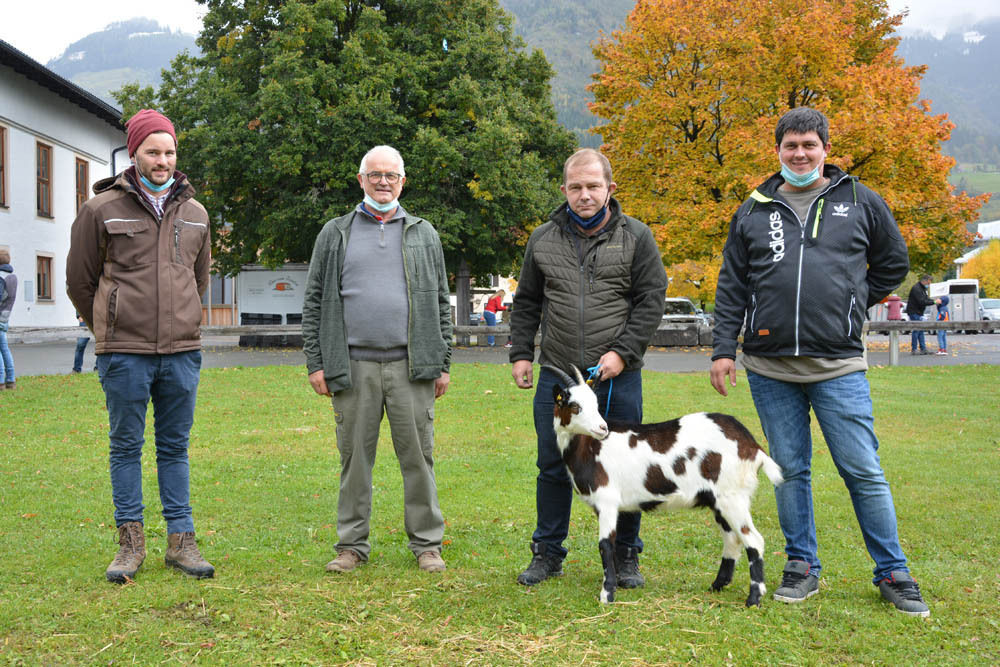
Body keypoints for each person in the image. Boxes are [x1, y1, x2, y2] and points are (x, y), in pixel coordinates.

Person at [710, 107, 929, 617]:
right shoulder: (753, 209)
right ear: (779, 151)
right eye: (791, 146)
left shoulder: (860, 201)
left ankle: (894, 572)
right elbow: (732, 286)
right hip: (770, 368)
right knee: (790, 471)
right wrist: (724, 349)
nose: (801, 154)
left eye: (810, 145)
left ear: (826, 149)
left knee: (863, 470)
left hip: (839, 367)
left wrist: (850, 304)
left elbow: (892, 263)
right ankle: (801, 566)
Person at [67, 109, 214, 583]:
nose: (163, 160)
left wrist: (183, 323)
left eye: (169, 151)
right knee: (125, 447)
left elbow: (198, 280)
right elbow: (79, 282)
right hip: (123, 354)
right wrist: (107, 326)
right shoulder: (99, 210)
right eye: (153, 151)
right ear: (134, 153)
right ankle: (130, 545)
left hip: (181, 353)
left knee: (174, 447)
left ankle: (181, 543)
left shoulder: (195, 214)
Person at [509, 148, 667, 589]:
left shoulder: (637, 237)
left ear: (610, 189)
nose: (584, 195)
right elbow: (527, 303)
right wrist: (522, 352)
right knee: (553, 464)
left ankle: (624, 555)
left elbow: (651, 302)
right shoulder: (542, 239)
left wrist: (623, 351)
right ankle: (548, 553)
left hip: (616, 373)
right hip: (559, 376)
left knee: (625, 466)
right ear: (564, 190)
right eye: (575, 187)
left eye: (593, 186)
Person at [302, 145, 452, 574]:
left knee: (419, 459)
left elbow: (442, 303)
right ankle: (351, 547)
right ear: (360, 179)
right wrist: (316, 363)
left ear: (403, 181)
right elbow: (314, 301)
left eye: (391, 175)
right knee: (355, 462)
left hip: (412, 367)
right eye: (375, 175)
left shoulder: (424, 233)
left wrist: (442, 363)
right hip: (352, 367)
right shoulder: (335, 233)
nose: (383, 182)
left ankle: (427, 545)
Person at [906, 274, 936, 355]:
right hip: (914, 312)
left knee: (921, 330)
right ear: (925, 281)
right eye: (928, 283)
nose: (929, 285)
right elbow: (922, 301)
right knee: (916, 330)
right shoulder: (917, 289)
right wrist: (934, 302)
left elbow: (926, 298)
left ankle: (923, 348)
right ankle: (914, 349)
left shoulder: (922, 289)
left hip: (919, 312)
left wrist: (934, 301)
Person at [0, 249, 17, 390]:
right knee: (4, 349)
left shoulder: (1, 277)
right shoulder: (12, 277)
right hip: (5, 317)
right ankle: (11, 379)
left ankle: (0, 381)